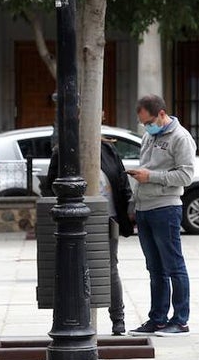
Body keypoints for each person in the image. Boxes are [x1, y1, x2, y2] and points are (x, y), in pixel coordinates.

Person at [45, 136, 135, 335]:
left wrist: (128, 210)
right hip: (71, 219)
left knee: (110, 268)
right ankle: (72, 319)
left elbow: (121, 180)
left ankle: (118, 320)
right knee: (70, 270)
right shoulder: (63, 152)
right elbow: (50, 185)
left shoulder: (108, 150)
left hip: (107, 217)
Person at [127, 95, 195, 337]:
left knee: (174, 265)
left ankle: (180, 320)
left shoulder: (180, 137)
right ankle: (157, 319)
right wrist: (134, 203)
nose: (147, 126)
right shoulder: (149, 135)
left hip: (166, 208)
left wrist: (151, 177)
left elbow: (186, 176)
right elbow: (147, 168)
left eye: (149, 121)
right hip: (145, 208)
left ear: (162, 114)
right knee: (154, 268)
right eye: (143, 123)